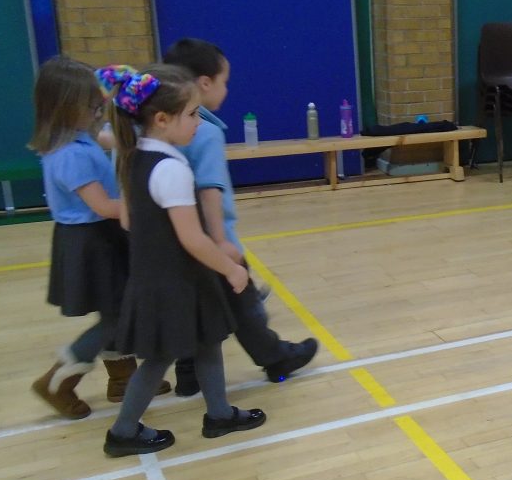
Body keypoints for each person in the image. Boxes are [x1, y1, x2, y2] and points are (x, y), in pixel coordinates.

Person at [100, 64, 266, 456]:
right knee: (159, 358)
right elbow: (192, 238)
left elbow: (128, 220)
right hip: (175, 281)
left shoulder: (133, 155)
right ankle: (122, 432)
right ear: (162, 119)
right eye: (192, 114)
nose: (198, 122)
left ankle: (219, 414)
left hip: (163, 277)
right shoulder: (170, 168)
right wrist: (230, 268)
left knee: (207, 341)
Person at [161, 38, 317, 396]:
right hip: (210, 237)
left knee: (197, 306)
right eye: (224, 81)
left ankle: (188, 372)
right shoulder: (206, 130)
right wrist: (221, 241)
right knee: (244, 301)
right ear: (205, 83)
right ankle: (276, 358)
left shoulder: (158, 126)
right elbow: (209, 189)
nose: (227, 89)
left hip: (176, 237)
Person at [29, 56, 169, 418]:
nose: (97, 111)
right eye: (90, 106)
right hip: (90, 240)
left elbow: (113, 134)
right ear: (63, 107)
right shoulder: (70, 155)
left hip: (98, 236)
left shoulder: (76, 137)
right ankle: (57, 380)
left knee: (118, 308)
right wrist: (149, 203)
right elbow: (104, 206)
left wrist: (123, 92)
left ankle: (123, 379)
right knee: (118, 314)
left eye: (97, 103)